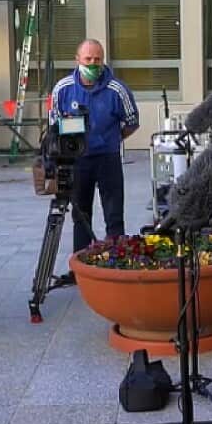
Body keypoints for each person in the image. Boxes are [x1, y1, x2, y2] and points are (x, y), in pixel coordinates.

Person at [50, 39, 139, 282]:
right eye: (88, 59)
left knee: (114, 215)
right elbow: (54, 122)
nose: (92, 63)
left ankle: (117, 266)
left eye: (97, 59)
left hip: (108, 158)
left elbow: (132, 122)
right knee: (80, 216)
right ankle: (81, 270)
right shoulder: (63, 89)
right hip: (77, 161)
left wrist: (111, 139)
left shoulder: (117, 89)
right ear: (77, 60)